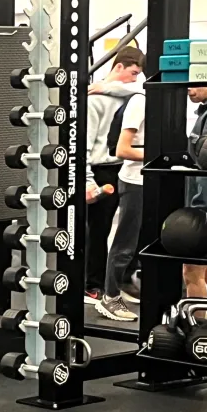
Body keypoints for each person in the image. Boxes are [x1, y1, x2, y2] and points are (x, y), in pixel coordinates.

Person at [84, 47, 144, 304]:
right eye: (132, 73)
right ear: (118, 66)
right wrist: (87, 180)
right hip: (100, 170)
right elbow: (83, 144)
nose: (134, 79)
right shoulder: (92, 99)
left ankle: (121, 281)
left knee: (130, 231)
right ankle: (92, 285)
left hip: (125, 168)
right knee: (99, 230)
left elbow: (145, 90)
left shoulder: (129, 96)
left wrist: (109, 87)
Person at [97, 83, 147, 322]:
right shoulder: (140, 100)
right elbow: (122, 149)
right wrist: (158, 154)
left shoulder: (165, 100)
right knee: (125, 242)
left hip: (154, 180)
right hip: (134, 181)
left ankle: (127, 285)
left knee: (145, 243)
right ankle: (110, 297)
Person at [184, 85, 207, 299]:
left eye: (195, 84)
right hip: (203, 203)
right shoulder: (206, 111)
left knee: (191, 271)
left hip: (206, 207)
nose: (189, 89)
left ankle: (199, 330)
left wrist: (206, 213)